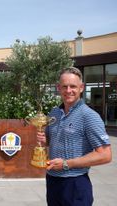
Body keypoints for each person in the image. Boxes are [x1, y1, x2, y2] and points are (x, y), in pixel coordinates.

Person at [37, 67, 112, 206]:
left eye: (73, 86)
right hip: (53, 180)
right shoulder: (54, 113)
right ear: (58, 88)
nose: (68, 90)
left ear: (81, 88)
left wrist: (66, 164)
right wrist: (45, 140)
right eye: (64, 86)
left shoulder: (89, 116)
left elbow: (105, 155)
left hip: (75, 184)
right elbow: (51, 141)